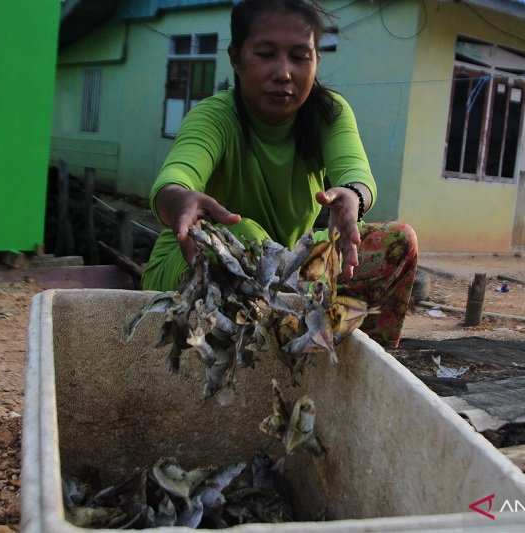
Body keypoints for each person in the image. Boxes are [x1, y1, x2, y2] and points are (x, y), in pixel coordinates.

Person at [142, 0, 417, 348]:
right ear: (235, 58)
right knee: (242, 237)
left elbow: (355, 173)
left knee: (400, 241)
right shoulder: (214, 118)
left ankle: (358, 366)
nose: (284, 72)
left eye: (300, 56)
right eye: (266, 54)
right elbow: (177, 175)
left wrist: (353, 196)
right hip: (193, 263)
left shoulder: (328, 114)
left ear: (316, 61)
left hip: (285, 267)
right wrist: (178, 199)